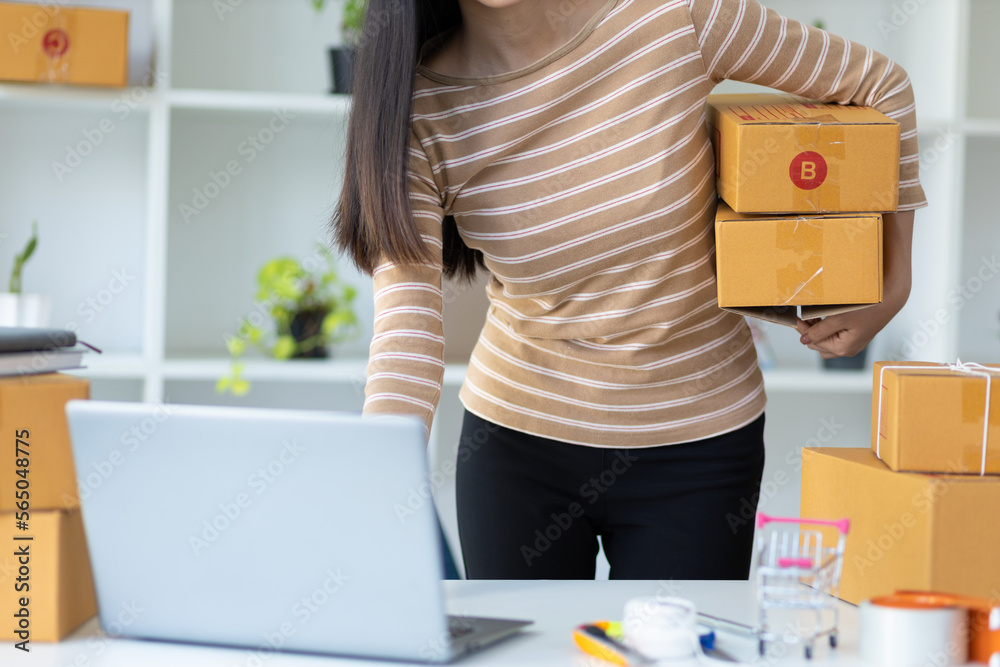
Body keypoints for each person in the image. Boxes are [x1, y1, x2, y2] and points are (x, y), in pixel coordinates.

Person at [333, 0, 926, 580]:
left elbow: (881, 85)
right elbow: (407, 331)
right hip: (517, 446)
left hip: (701, 445)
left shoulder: (678, 17)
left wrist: (891, 281)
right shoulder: (415, 108)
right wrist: (370, 485)